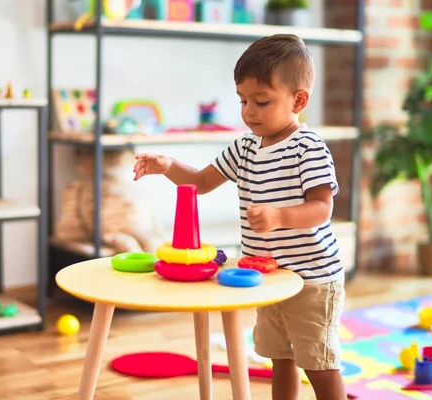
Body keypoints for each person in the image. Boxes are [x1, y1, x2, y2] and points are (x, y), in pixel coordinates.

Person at [132, 34, 347, 400]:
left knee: (318, 363)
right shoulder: (245, 147)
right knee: (279, 358)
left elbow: (322, 208)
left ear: (298, 100)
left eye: (261, 102)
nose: (248, 111)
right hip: (270, 276)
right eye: (243, 100)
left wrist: (278, 216)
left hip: (312, 281)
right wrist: (168, 166)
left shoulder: (308, 147)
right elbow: (200, 182)